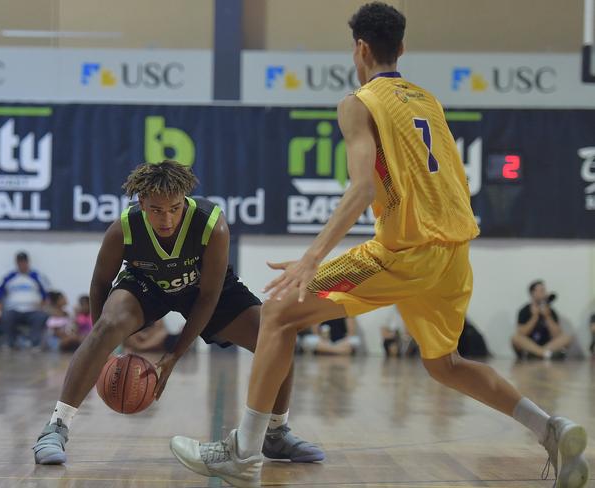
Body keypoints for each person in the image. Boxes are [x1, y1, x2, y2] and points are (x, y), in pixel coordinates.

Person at [169, 4, 589, 488]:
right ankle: (550, 429)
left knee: (279, 310)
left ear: (360, 48)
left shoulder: (359, 101)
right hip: (454, 252)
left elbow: (363, 188)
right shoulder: (427, 99)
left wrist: (311, 258)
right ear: (402, 48)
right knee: (446, 364)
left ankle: (244, 453)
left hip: (406, 250)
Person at [32, 161, 322, 465]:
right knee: (108, 324)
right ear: (142, 203)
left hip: (204, 289)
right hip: (147, 283)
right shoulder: (123, 229)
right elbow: (100, 284)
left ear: (184, 200)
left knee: (277, 334)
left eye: (174, 208)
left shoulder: (212, 224)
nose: (167, 218)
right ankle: (56, 427)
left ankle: (276, 434)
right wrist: (102, 342)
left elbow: (208, 296)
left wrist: (175, 354)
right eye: (157, 209)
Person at [0, 252, 48, 349]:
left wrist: (42, 305)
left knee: (41, 316)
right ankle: (10, 343)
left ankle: (35, 343)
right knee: (7, 316)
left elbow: (46, 294)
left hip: (32, 310)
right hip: (14, 309)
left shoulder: (36, 276)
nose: (22, 264)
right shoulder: (10, 277)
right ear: (16, 263)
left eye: (24, 262)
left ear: (27, 262)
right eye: (19, 262)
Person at [511, 281, 573, 360]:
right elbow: (522, 333)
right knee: (515, 338)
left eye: (544, 290)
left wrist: (548, 317)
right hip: (529, 345)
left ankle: (537, 354)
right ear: (532, 293)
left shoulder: (550, 311)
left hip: (547, 345)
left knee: (567, 338)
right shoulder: (524, 311)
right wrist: (534, 317)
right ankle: (545, 354)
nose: (545, 293)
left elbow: (557, 335)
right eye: (541, 290)